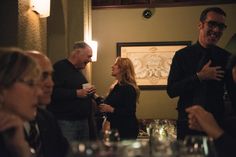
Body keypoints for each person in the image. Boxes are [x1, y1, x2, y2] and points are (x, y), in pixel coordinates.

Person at [167, 7, 233, 140]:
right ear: (200, 25)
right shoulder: (182, 56)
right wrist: (199, 77)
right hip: (187, 123)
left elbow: (233, 94)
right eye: (212, 24)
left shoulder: (227, 57)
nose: (216, 30)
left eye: (221, 26)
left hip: (217, 125)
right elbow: (172, 90)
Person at [47, 41, 96, 142]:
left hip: (82, 121)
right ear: (77, 53)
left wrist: (90, 92)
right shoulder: (60, 67)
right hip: (67, 122)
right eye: (88, 56)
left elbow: (79, 89)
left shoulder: (78, 71)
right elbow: (52, 92)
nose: (90, 60)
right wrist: (76, 93)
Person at [26, 51, 69, 157]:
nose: (51, 84)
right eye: (42, 76)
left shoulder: (47, 118)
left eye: (51, 76)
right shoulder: (6, 125)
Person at [0, 47, 42, 157]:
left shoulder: (14, 133)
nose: (39, 92)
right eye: (30, 83)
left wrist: (22, 149)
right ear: (2, 87)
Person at [98, 57, 140, 139]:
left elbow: (130, 111)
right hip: (116, 128)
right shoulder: (117, 86)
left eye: (115, 64)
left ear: (122, 69)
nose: (112, 66)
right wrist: (94, 95)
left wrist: (111, 109)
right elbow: (107, 104)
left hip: (126, 129)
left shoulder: (128, 88)